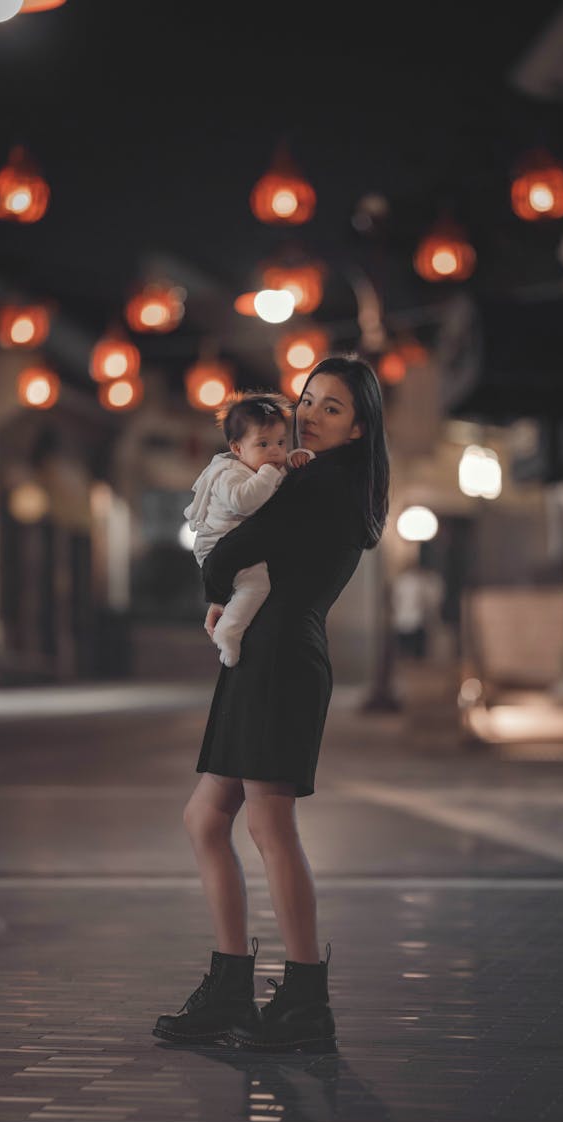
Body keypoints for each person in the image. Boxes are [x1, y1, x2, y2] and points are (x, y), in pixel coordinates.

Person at [153, 354, 390, 1052]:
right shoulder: (310, 478)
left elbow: (232, 549)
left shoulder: (323, 487)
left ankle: (306, 1000)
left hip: (282, 658)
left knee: (268, 828)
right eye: (309, 398)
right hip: (265, 652)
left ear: (358, 429)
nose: (310, 413)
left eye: (332, 408)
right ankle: (232, 987)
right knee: (206, 818)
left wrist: (216, 585)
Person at [183, 391, 314, 667]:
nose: (276, 451)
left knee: (255, 583)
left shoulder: (257, 468)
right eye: (263, 444)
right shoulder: (228, 475)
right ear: (238, 449)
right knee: (256, 585)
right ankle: (229, 631)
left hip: (235, 546)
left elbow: (274, 483)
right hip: (216, 545)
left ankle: (230, 622)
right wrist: (271, 471)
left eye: (281, 442)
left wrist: (294, 460)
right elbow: (245, 502)